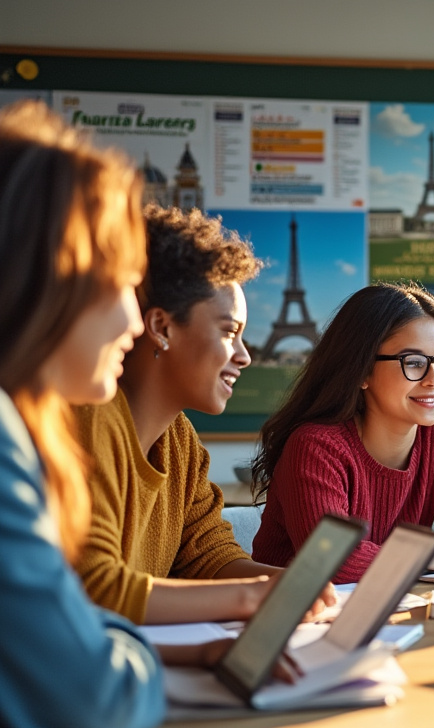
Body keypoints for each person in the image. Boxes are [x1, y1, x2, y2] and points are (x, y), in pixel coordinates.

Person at [0, 100, 290, 728]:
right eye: (115, 282)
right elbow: (83, 678)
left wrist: (207, 636)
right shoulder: (36, 432)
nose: (131, 318)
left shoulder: (33, 426)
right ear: (50, 280)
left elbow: (78, 619)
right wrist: (198, 640)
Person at [73, 204, 334, 625]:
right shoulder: (86, 422)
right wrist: (255, 598)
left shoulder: (180, 441)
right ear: (161, 327)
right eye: (229, 332)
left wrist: (297, 590)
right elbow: (94, 589)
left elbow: (208, 557)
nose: (245, 356)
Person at [250, 283, 434, 583]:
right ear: (361, 372)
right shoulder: (315, 447)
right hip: (301, 619)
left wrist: (428, 555)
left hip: (393, 610)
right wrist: (433, 557)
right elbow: (332, 561)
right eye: (413, 362)